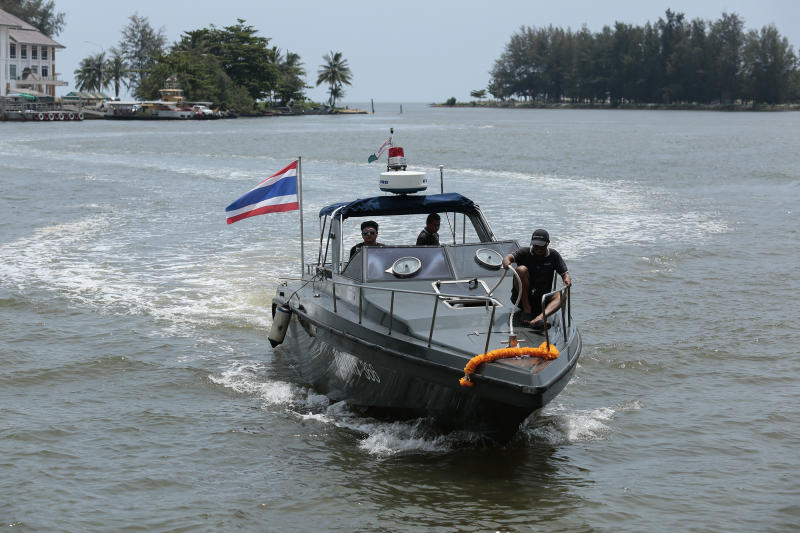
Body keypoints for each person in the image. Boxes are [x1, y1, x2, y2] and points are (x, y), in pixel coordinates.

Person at [502, 229, 572, 330]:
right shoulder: (524, 252)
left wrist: (567, 279)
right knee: (521, 269)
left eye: (541, 246)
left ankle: (539, 319)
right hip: (522, 299)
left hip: (542, 299)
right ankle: (527, 309)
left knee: (562, 296)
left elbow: (565, 273)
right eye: (535, 246)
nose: (538, 249)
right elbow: (509, 257)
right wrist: (506, 261)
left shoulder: (554, 255)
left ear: (548, 243)